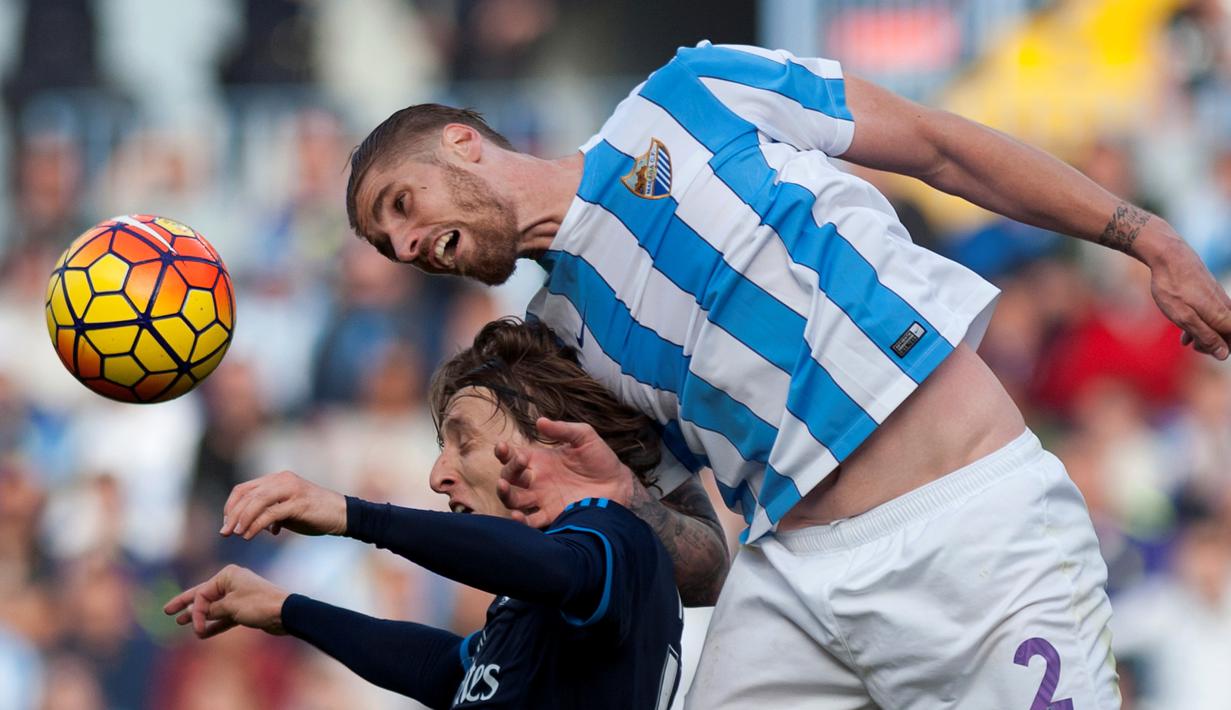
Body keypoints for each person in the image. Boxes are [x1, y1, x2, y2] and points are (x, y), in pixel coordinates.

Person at [344, 41, 1231, 708]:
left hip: (974, 530)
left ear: (462, 143)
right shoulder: (561, 339)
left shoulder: (690, 94)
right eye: (391, 244)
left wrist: (1143, 237)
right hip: (792, 580)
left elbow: (938, 148)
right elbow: (702, 565)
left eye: (401, 205)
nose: (409, 245)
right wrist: (624, 504)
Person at [164, 319, 685, 710]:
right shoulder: (536, 606)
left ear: (546, 434)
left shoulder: (618, 536)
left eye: (464, 442)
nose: (438, 475)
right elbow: (444, 669)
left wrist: (352, 515)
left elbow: (560, 568)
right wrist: (287, 609)